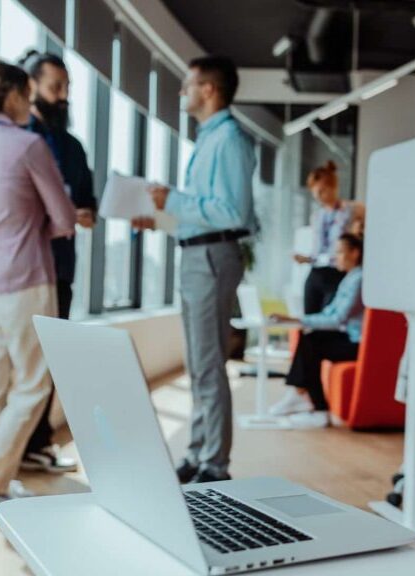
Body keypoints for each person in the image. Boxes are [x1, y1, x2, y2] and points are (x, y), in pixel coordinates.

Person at [0, 58, 76, 523]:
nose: (31, 102)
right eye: (27, 94)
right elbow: (65, 219)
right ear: (11, 96)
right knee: (32, 384)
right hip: (25, 276)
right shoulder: (29, 145)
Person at [135, 56, 256, 485]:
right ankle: (198, 452)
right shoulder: (209, 138)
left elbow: (232, 212)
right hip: (196, 253)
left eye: (187, 85)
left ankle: (214, 465)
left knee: (207, 363)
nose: (182, 92)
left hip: (211, 258)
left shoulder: (230, 140)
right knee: (198, 363)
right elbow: (206, 212)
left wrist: (175, 202)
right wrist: (163, 218)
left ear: (208, 89)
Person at [18, 50, 96, 475]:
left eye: (67, 88)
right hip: (22, 269)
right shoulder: (18, 139)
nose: (63, 96)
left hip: (61, 268)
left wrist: (80, 214)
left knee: (48, 359)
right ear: (31, 87)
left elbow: (89, 205)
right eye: (56, 87)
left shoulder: (72, 147)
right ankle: (8, 450)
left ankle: (37, 444)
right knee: (17, 362)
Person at [270, 233, 364, 428]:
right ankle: (305, 398)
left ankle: (308, 402)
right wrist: (300, 320)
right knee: (310, 338)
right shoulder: (350, 278)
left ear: (354, 253)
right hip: (346, 336)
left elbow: (338, 319)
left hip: (357, 344)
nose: (335, 257)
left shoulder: (359, 279)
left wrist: (299, 320)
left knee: (312, 342)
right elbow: (331, 312)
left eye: (340, 252)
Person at [294, 160, 365, 314]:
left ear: (332, 187)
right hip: (316, 271)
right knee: (310, 319)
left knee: (329, 319)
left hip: (337, 272)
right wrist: (305, 259)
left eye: (321, 191)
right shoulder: (317, 216)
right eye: (315, 193)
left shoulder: (353, 210)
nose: (318, 197)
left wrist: (358, 232)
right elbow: (318, 249)